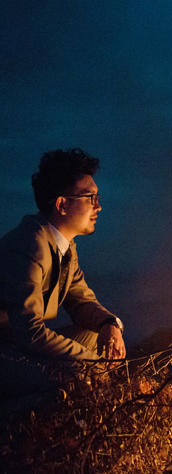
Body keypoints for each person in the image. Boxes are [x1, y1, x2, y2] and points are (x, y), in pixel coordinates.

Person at [0, 148, 125, 362]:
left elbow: (80, 301)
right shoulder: (31, 244)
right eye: (90, 197)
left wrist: (108, 324)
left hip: (17, 348)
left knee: (99, 339)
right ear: (62, 204)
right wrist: (89, 363)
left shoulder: (64, 246)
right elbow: (29, 333)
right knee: (86, 363)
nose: (99, 207)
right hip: (7, 354)